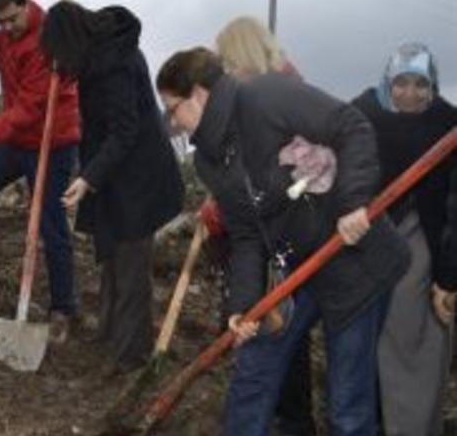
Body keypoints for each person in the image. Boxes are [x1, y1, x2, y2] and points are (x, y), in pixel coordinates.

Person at [156, 47, 410, 435]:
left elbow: (351, 126)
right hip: (294, 265)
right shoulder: (210, 158)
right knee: (254, 372)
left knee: (348, 406)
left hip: (351, 257)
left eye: (174, 109)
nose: (173, 122)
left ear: (200, 95)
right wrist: (243, 304)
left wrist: (354, 202)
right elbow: (245, 234)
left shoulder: (266, 97)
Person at [39, 1, 184, 373]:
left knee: (131, 265)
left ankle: (130, 356)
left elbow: (125, 131)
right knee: (113, 259)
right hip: (117, 174)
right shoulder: (96, 55)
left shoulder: (115, 63)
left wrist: (88, 178)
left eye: (59, 55)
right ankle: (108, 335)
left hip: (142, 177)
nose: (58, 65)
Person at [0, 0, 80, 342]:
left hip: (53, 140)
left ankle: (64, 308)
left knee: (49, 223)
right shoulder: (10, 36)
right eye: (1, 22)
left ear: (26, 5)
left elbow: (30, 109)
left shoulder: (50, 40)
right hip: (17, 139)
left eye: (12, 19)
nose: (7, 28)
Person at [215, 16, 315, 436]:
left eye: (227, 63)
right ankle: (289, 417)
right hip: (271, 233)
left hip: (289, 233)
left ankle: (288, 419)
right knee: (282, 332)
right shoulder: (255, 93)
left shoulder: (284, 95)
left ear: (244, 57)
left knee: (274, 333)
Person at [351, 42, 456, 435]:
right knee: (365, 346)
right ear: (387, 82)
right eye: (401, 83)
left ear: (434, 87)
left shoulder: (447, 124)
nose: (410, 94)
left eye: (420, 85)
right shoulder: (364, 115)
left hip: (424, 248)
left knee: (414, 345)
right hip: (366, 244)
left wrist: (448, 276)